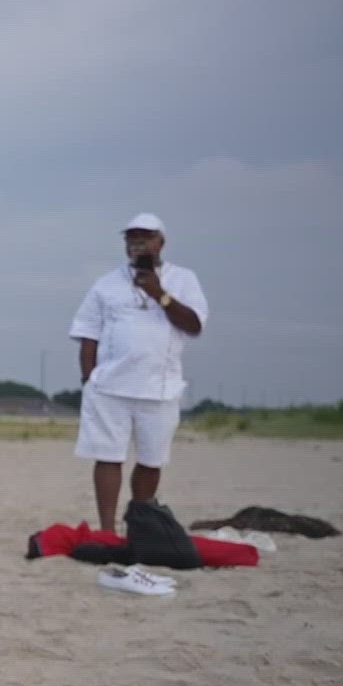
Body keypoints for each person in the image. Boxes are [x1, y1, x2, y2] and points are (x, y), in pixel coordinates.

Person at [69, 213, 209, 532]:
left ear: (161, 242)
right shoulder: (105, 284)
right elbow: (87, 332)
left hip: (160, 387)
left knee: (151, 459)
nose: (138, 243)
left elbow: (195, 325)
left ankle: (140, 523)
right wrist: (88, 380)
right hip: (109, 387)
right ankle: (107, 530)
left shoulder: (183, 279)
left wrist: (159, 293)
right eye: (131, 238)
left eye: (145, 237)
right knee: (108, 456)